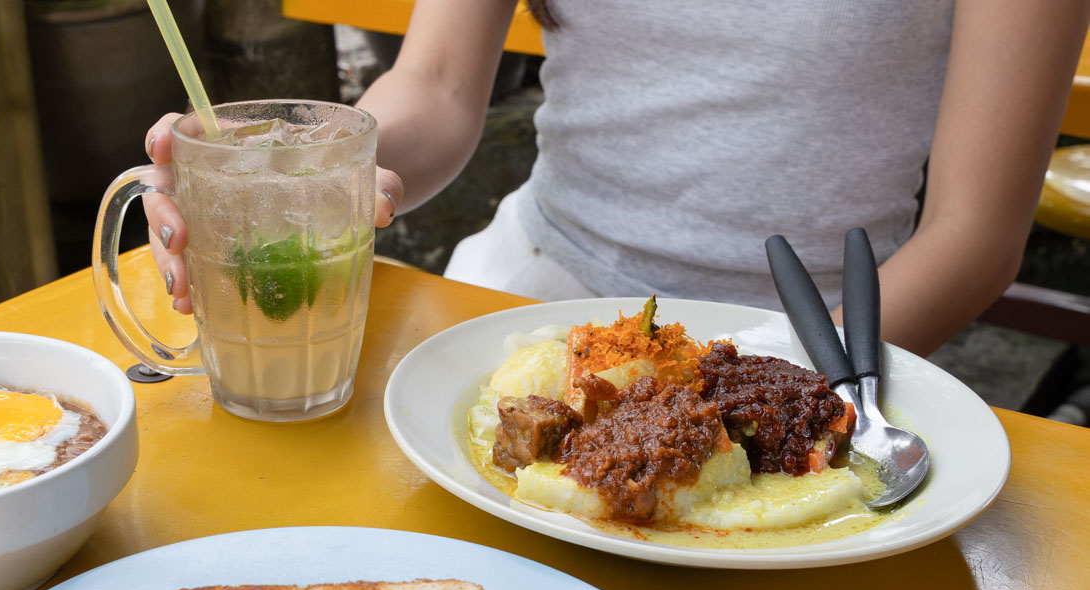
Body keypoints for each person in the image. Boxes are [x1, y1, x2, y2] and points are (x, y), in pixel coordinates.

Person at [142, 0, 1090, 355]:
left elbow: (973, 235)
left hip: (825, 341)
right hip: (534, 296)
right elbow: (433, 84)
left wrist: (757, 383)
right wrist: (305, 171)